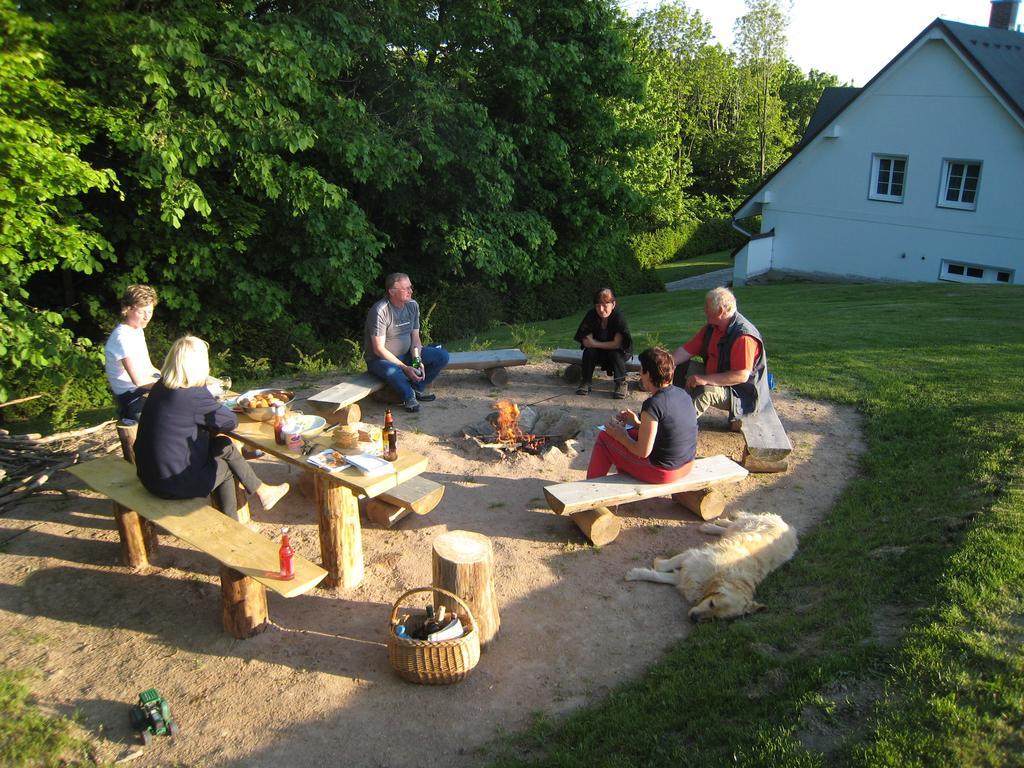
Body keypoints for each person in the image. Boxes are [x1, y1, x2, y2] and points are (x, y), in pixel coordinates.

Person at [134, 336, 289, 523]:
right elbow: (231, 422)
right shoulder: (193, 395)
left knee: (223, 445)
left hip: (148, 475)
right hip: (172, 483)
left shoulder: (161, 386)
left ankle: (263, 491)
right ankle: (232, 525)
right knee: (227, 467)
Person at [586, 347, 697, 483]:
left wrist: (620, 436)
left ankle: (590, 489)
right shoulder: (682, 393)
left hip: (665, 472)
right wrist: (637, 423)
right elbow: (667, 429)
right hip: (687, 465)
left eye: (641, 370)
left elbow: (643, 452)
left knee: (605, 438)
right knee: (632, 432)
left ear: (648, 374)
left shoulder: (653, 404)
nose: (640, 374)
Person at [671, 286, 771, 422]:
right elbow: (686, 351)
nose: (704, 310)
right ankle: (672, 409)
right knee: (682, 367)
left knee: (705, 391)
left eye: (707, 307)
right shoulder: (712, 329)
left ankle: (676, 427)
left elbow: (740, 376)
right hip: (720, 376)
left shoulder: (744, 337)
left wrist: (705, 379)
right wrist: (662, 364)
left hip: (741, 393)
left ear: (720, 311)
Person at [363, 272, 450, 413]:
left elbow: (415, 338)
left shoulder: (412, 306)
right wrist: (405, 368)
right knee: (393, 370)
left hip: (406, 355)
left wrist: (416, 361)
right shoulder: (380, 311)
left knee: (442, 356)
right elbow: (379, 349)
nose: (411, 291)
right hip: (380, 360)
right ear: (392, 291)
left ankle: (418, 388)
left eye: (410, 287)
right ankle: (409, 397)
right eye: (405, 288)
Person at [104, 284, 161, 422]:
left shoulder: (137, 330)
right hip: (132, 399)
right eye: (142, 312)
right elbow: (139, 381)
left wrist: (170, 378)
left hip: (143, 390)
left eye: (150, 311)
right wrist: (169, 385)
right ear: (127, 309)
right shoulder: (122, 337)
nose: (147, 317)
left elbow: (149, 367)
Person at [573, 287, 632, 399]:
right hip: (600, 351)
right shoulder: (591, 315)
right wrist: (593, 344)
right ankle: (586, 382)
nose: (601, 309)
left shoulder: (618, 317)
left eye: (605, 305)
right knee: (589, 351)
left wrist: (594, 343)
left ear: (613, 304)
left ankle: (621, 383)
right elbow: (586, 341)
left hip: (620, 352)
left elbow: (617, 344)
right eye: (597, 306)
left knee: (614, 353)